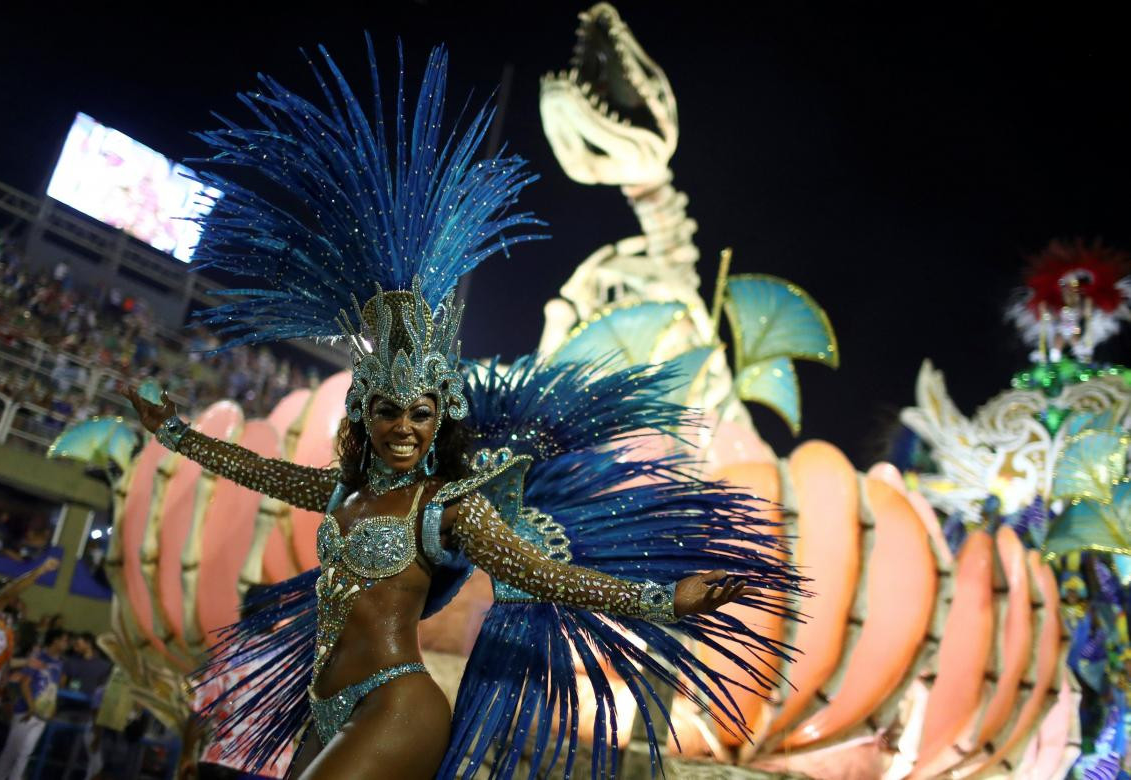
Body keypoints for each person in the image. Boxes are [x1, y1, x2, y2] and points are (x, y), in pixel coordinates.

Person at [124, 38, 799, 780]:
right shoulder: (345, 493)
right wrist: (176, 432)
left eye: (423, 415)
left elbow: (546, 577)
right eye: (391, 412)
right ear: (366, 415)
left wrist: (664, 598)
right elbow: (256, 469)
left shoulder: (448, 510)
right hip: (325, 705)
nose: (407, 428)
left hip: (396, 704)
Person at [0, 557, 60, 777]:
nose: (16, 599)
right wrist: (40, 571)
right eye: (11, 594)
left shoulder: (5, 627)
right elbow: (8, 594)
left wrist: (24, 663)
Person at [0, 627, 69, 780]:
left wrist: (52, 708)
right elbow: (24, 683)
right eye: (65, 640)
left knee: (25, 755)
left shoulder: (60, 664)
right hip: (25, 711)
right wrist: (31, 707)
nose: (67, 644)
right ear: (55, 640)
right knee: (11, 753)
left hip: (42, 715)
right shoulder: (38, 658)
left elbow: (55, 688)